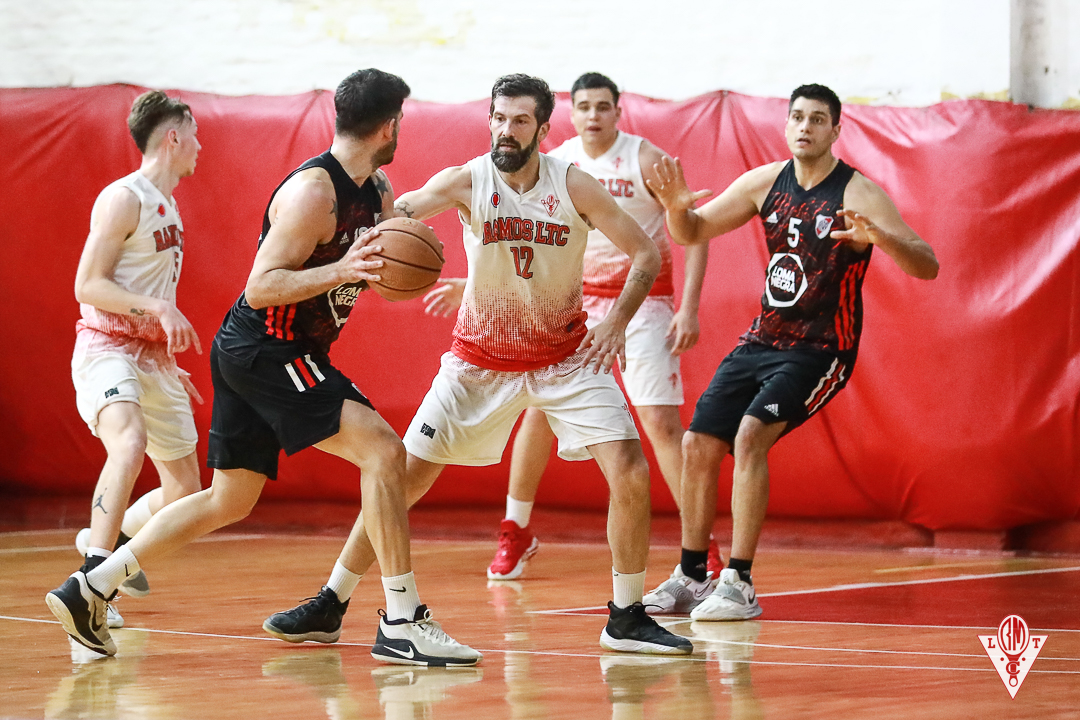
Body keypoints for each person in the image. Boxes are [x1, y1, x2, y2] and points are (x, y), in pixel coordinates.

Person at [46, 69, 480, 667]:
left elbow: (380, 274)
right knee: (384, 452)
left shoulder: (376, 192)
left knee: (229, 500)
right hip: (268, 350)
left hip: (268, 351)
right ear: (389, 125)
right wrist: (343, 270)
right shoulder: (313, 192)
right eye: (400, 120)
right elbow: (260, 287)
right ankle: (402, 619)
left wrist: (403, 274)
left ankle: (88, 587)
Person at [269, 73, 693, 655]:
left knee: (629, 466)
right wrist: (340, 246)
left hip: (565, 356)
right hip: (479, 362)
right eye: (498, 118)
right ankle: (332, 601)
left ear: (544, 129)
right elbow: (392, 219)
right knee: (402, 479)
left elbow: (647, 251)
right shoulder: (468, 180)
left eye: (520, 120)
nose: (505, 130)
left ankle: (625, 615)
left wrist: (617, 320)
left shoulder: (575, 185)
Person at [642, 84, 939, 619]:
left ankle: (741, 581)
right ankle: (690, 576)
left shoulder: (858, 193)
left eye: (818, 119)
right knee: (696, 443)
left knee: (751, 435)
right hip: (764, 338)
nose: (805, 127)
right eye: (797, 117)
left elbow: (926, 263)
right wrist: (674, 207)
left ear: (835, 130)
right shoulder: (765, 182)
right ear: (786, 125)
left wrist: (881, 239)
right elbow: (692, 231)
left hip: (823, 348)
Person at [423, 72, 720, 584]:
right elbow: (515, 240)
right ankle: (514, 529)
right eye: (584, 106)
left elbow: (689, 232)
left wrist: (687, 307)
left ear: (617, 112)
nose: (593, 116)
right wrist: (470, 283)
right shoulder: (551, 162)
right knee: (536, 415)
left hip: (640, 303)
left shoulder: (643, 160)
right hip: (572, 305)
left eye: (603, 107)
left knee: (659, 425)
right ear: (570, 115)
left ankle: (701, 547)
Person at [58, 90, 205, 632]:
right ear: (173, 137)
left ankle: (111, 540)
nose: (199, 146)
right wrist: (158, 308)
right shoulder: (124, 198)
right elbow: (88, 285)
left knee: (185, 494)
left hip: (150, 357)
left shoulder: (169, 206)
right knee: (129, 443)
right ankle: (93, 579)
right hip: (106, 346)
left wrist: (163, 349)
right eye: (194, 135)